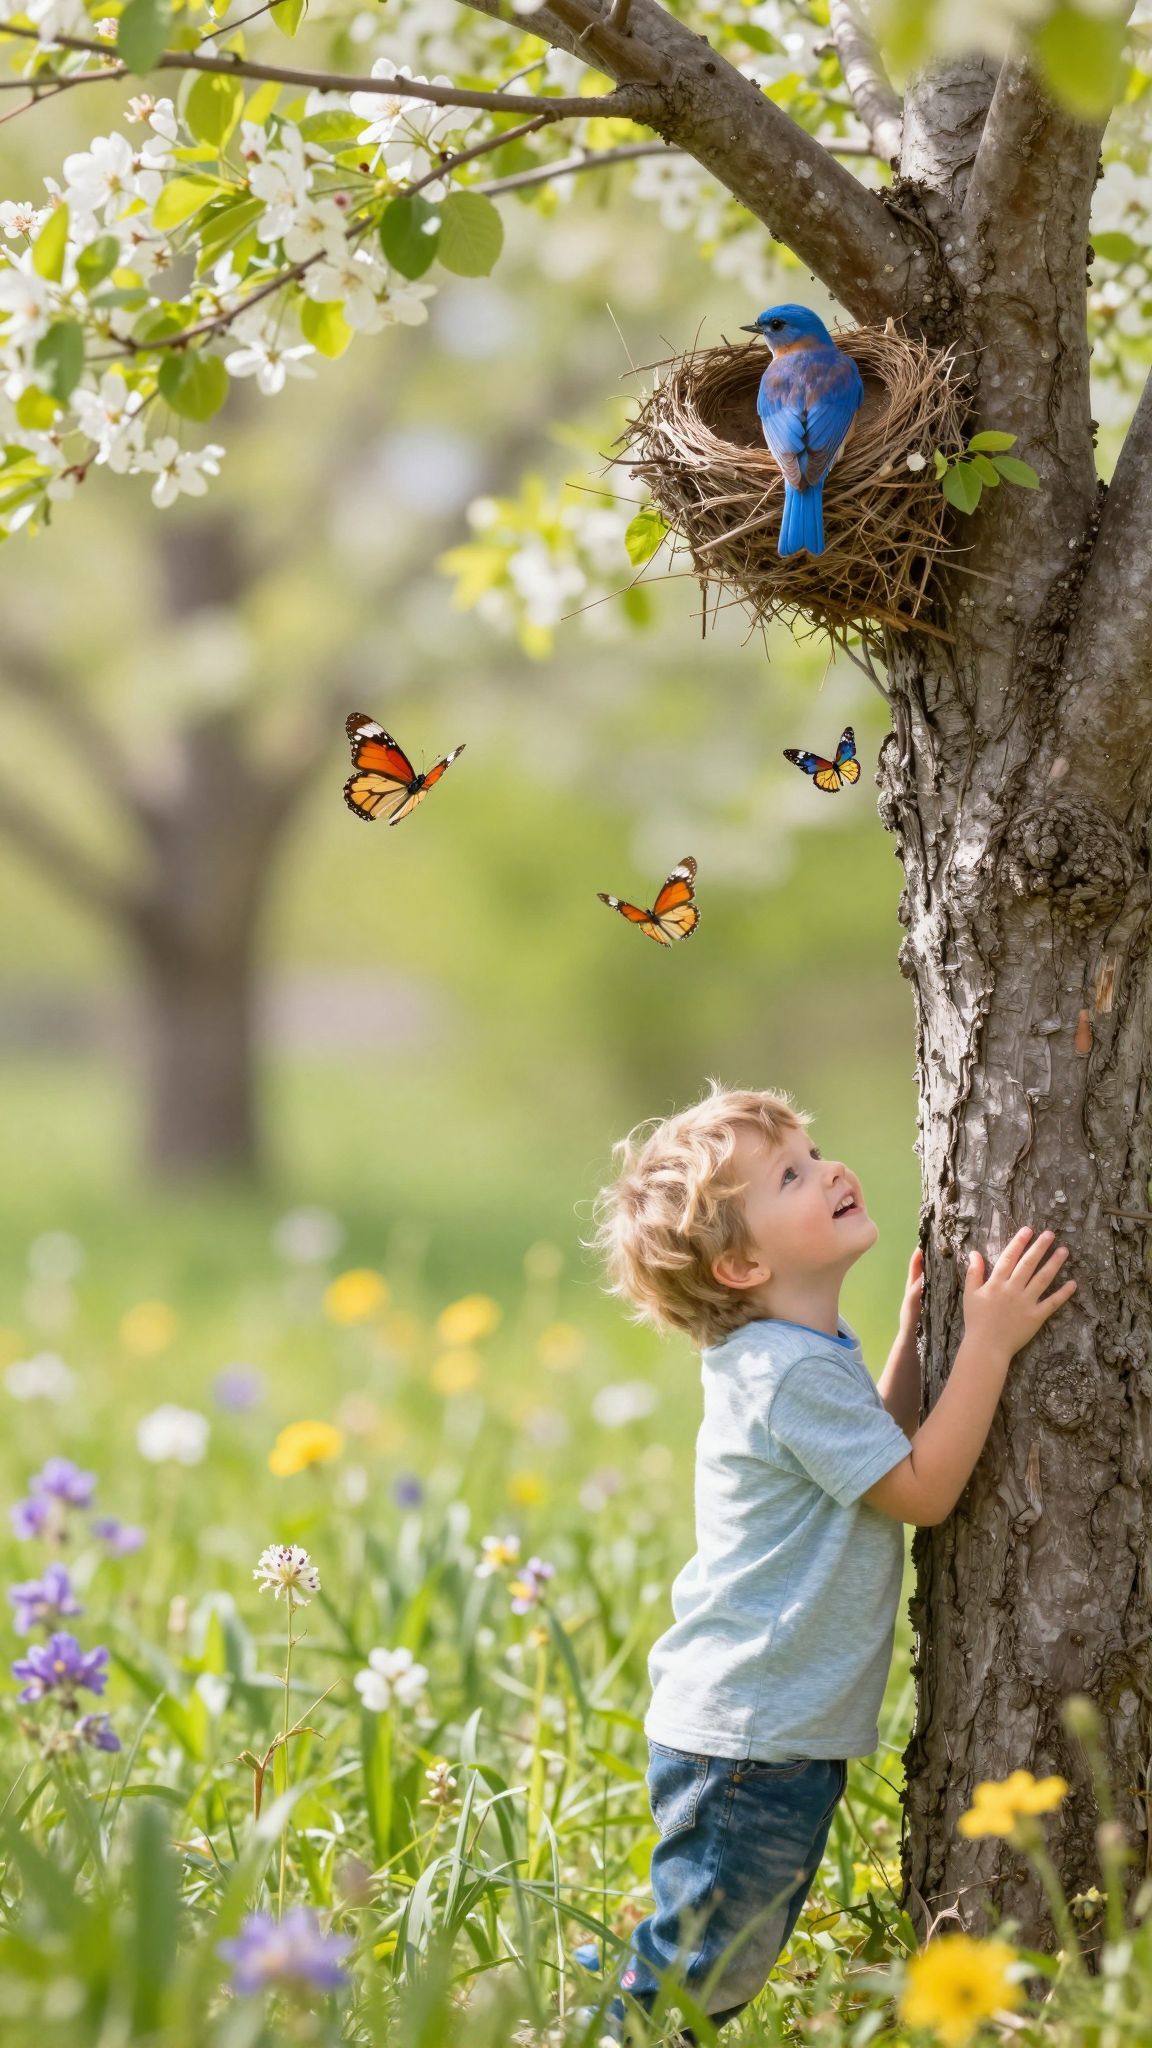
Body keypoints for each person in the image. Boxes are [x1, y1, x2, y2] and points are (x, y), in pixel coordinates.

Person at [587, 1082, 1076, 2043]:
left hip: (762, 1731)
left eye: (811, 1152)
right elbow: (922, 1492)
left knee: (716, 1953)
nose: (830, 1170)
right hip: (752, 1742)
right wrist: (986, 1343)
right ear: (742, 1264)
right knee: (700, 1972)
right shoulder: (788, 1371)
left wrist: (907, 1347)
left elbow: (874, 1458)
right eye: (792, 1175)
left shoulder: (797, 1353)